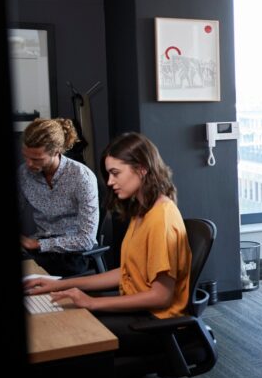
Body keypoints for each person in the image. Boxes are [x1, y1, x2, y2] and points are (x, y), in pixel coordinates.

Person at [24, 132, 192, 358]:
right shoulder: (143, 211)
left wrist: (92, 303)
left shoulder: (161, 219)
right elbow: (126, 273)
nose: (110, 182)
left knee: (69, 332)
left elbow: (161, 296)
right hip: (139, 311)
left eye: (115, 173)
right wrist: (59, 284)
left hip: (156, 323)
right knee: (67, 314)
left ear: (141, 169)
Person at [19, 118, 99, 276]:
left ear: (56, 152)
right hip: (39, 250)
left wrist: (40, 244)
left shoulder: (81, 177)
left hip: (73, 252)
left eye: (36, 159)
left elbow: (87, 239)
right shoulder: (24, 173)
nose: (28, 164)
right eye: (25, 157)